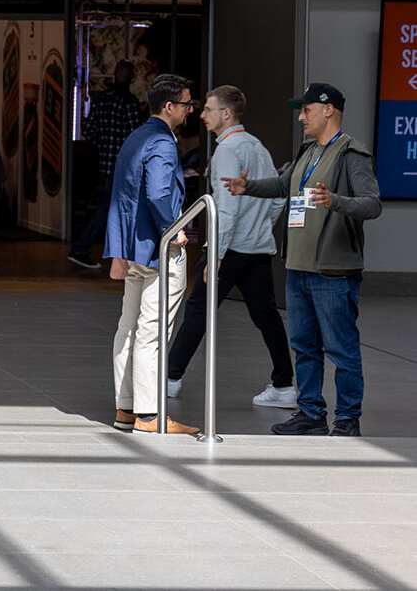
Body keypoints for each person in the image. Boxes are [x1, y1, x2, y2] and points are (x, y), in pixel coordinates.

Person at [223, 83, 381, 436]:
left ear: (329, 110)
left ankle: (347, 419)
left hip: (333, 271)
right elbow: (284, 185)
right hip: (298, 267)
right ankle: (310, 413)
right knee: (305, 346)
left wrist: (335, 201)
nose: (300, 117)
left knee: (341, 349)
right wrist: (246, 187)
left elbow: (372, 204)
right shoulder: (308, 151)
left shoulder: (352, 154)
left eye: (306, 110)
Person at [165, 86, 293, 407]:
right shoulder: (259, 148)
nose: (202, 115)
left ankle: (170, 378)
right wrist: (262, 227)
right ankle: (284, 385)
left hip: (230, 249)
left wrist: (217, 255)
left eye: (208, 109)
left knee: (197, 312)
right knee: (266, 316)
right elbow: (278, 195)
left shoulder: (226, 151)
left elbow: (225, 208)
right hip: (258, 248)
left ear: (226, 114)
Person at [104, 72, 200, 436]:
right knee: (152, 332)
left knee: (128, 327)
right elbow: (160, 194)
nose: (190, 110)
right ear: (170, 106)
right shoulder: (162, 142)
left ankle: (126, 409)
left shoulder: (136, 136)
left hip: (133, 248)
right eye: (187, 103)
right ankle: (149, 414)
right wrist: (174, 229)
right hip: (159, 250)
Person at [70, 61, 145, 268]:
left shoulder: (101, 100)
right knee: (113, 209)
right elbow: (135, 136)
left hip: (105, 163)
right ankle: (83, 248)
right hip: (125, 166)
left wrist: (103, 147)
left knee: (110, 208)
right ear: (130, 78)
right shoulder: (129, 103)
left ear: (113, 75)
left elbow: (90, 130)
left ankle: (111, 253)